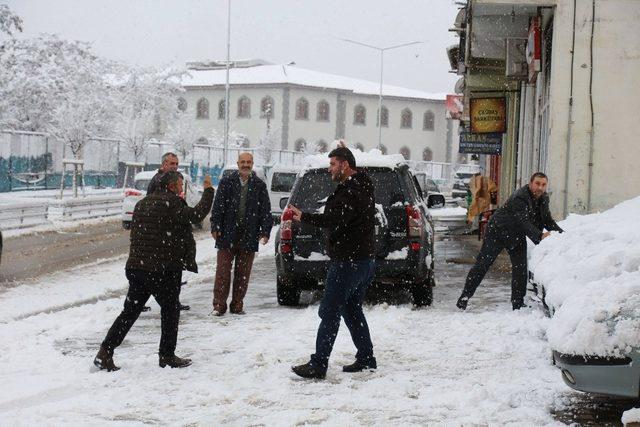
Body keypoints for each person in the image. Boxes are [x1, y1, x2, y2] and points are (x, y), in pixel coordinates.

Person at [93, 171, 215, 371]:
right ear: (172, 185)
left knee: (129, 312)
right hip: (163, 270)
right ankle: (167, 356)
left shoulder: (142, 203)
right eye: (179, 184)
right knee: (170, 311)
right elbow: (196, 215)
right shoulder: (172, 204)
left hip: (138, 267)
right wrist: (209, 191)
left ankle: (105, 351)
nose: (180, 188)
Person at [289, 146, 377, 380]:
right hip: (363, 260)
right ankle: (367, 358)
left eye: (333, 164)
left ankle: (318, 364)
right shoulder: (363, 184)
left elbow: (334, 220)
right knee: (351, 309)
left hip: (348, 262)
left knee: (329, 311)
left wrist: (303, 216)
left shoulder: (351, 191)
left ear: (345, 165)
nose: (330, 170)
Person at [456, 172, 563, 311]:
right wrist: (540, 236)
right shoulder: (520, 197)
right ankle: (465, 296)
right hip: (498, 231)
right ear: (530, 184)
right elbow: (523, 221)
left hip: (516, 234)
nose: (540, 188)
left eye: (543, 185)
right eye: (537, 183)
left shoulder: (543, 198)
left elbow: (547, 220)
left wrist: (562, 235)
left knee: (521, 269)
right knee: (483, 264)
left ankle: (517, 304)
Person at [210, 153, 272, 316]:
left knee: (243, 273)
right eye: (242, 162)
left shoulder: (259, 185)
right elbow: (217, 207)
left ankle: (237, 304)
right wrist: (215, 226)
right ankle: (219, 305)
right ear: (238, 164)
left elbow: (265, 211)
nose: (245, 165)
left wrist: (265, 231)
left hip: (249, 235)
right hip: (226, 234)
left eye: (248, 162)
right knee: (223, 272)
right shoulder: (226, 182)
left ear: (252, 164)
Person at [145, 152, 190, 311]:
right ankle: (169, 303)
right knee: (164, 272)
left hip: (169, 233)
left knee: (166, 272)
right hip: (161, 234)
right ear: (164, 164)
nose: (175, 167)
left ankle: (170, 302)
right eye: (172, 164)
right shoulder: (159, 181)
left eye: (177, 164)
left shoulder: (174, 179)